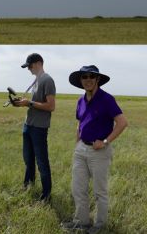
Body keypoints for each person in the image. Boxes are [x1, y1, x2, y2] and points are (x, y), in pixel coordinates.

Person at [61, 66, 128, 234]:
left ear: (98, 80)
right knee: (78, 188)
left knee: (100, 191)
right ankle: (81, 222)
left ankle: (100, 225)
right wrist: (77, 143)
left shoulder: (107, 99)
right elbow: (80, 123)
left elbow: (122, 123)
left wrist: (105, 141)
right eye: (85, 77)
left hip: (99, 152)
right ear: (81, 80)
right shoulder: (80, 100)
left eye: (92, 76)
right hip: (81, 149)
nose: (88, 79)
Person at [12, 53, 56, 202]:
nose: (28, 69)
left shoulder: (47, 80)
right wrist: (21, 103)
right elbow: (33, 103)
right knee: (28, 159)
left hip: (39, 128)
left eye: (29, 66)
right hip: (28, 126)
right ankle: (27, 186)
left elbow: (51, 106)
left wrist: (28, 103)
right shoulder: (36, 80)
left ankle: (46, 195)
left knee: (42, 162)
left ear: (38, 63)